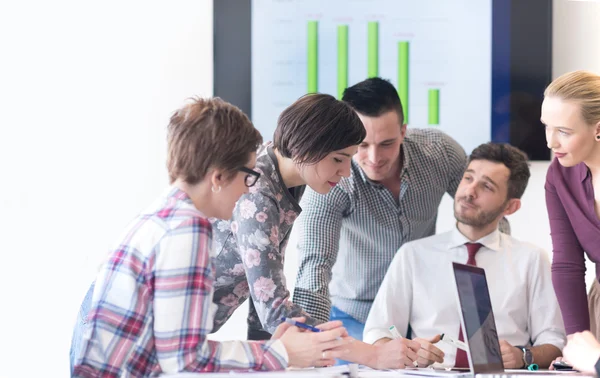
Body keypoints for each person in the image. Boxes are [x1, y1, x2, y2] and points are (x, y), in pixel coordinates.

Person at [71, 97, 350, 377]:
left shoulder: (170, 213)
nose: (248, 190)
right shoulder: (188, 230)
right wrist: (282, 353)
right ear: (218, 177)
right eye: (248, 177)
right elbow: (185, 360)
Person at [293, 77, 474, 340]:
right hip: (354, 315)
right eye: (362, 145)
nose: (375, 159)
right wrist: (312, 338)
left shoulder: (441, 154)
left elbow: (485, 215)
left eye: (386, 143)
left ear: (403, 131)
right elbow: (314, 264)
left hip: (424, 312)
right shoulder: (332, 179)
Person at [363, 142, 566, 369]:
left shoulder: (531, 259)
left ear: (510, 207)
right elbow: (377, 331)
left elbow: (555, 340)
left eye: (487, 187)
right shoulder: (412, 255)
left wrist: (523, 355)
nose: (470, 192)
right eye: (468, 178)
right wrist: (409, 352)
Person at [210, 93, 366, 340]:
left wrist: (266, 352)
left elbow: (265, 284)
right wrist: (361, 350)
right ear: (307, 146)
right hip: (164, 327)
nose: (346, 172)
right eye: (338, 159)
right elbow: (274, 310)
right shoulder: (258, 194)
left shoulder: (287, 176)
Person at [542, 70, 600, 337]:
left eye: (563, 131)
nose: (551, 142)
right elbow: (567, 263)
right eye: (547, 126)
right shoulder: (559, 176)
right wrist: (577, 342)